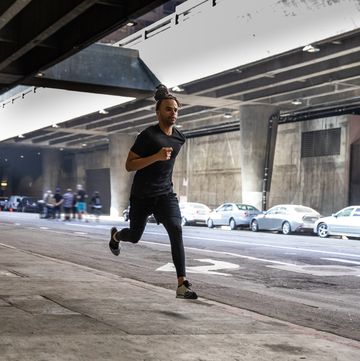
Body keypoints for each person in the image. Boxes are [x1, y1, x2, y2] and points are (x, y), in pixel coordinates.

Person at [108, 84, 197, 299]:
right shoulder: (147, 136)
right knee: (135, 236)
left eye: (175, 110)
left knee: (176, 229)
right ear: (158, 112)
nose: (173, 113)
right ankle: (116, 235)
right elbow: (129, 165)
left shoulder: (179, 138)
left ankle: (181, 284)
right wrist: (156, 156)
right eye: (168, 109)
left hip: (165, 194)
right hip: (142, 196)